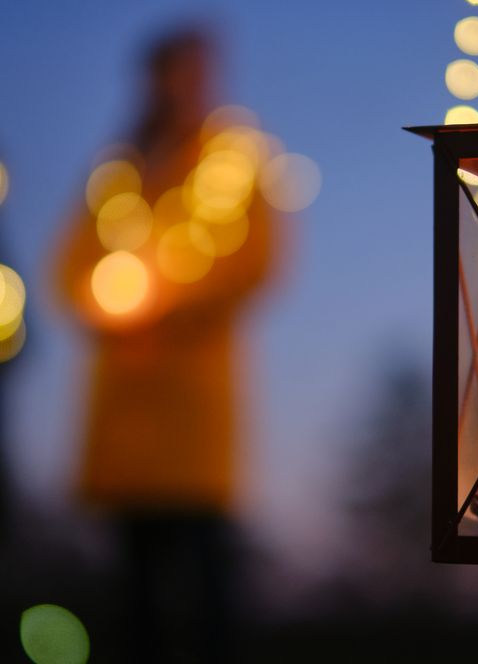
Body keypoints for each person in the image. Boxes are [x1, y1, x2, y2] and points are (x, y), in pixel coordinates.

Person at [54, 29, 280, 662]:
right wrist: (106, 304)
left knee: (207, 586)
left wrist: (165, 302)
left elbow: (259, 261)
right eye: (174, 73)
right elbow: (68, 267)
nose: (184, 87)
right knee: (133, 595)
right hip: (126, 416)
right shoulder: (118, 172)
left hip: (194, 414)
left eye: (196, 73)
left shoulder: (233, 158)